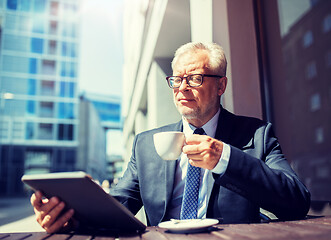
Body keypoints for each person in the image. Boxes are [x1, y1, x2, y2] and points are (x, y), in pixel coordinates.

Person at [30, 42, 311, 233]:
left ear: (221, 85)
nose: (182, 88)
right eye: (176, 79)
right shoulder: (145, 144)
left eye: (195, 79)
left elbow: (297, 200)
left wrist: (225, 158)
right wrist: (70, 216)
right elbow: (119, 206)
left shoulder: (257, 135)